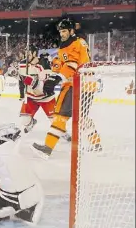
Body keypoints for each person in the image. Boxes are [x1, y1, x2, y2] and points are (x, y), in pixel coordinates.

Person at [32, 18, 99, 159]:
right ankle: (96, 144)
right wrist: (54, 68)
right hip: (88, 84)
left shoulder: (71, 44)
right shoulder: (81, 41)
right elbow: (66, 62)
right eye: (60, 31)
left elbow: (71, 66)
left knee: (60, 116)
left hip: (74, 85)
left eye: (64, 31)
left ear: (71, 30)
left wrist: (56, 79)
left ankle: (47, 147)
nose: (61, 34)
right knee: (82, 117)